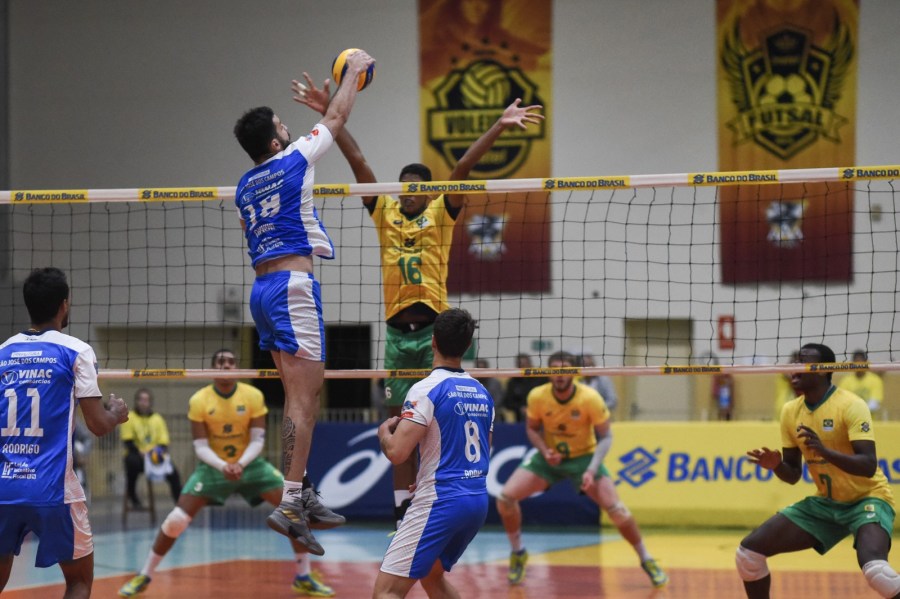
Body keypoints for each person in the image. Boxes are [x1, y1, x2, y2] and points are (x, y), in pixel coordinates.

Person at [295, 75, 542, 526]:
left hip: (433, 335)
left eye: (416, 188)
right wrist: (330, 112)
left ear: (428, 192)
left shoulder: (442, 212)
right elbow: (358, 159)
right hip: (396, 335)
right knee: (397, 428)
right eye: (404, 187)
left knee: (433, 424)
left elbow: (463, 164)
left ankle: (433, 501)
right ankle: (402, 512)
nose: (408, 193)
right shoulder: (384, 211)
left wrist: (500, 125)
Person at [232, 49, 374, 551]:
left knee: (298, 396)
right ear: (275, 141)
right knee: (304, 399)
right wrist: (354, 71)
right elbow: (337, 118)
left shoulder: (244, 185)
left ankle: (302, 488)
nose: (288, 127)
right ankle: (291, 499)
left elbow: (249, 227)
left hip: (262, 291)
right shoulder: (294, 158)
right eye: (282, 124)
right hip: (293, 287)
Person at [118, 349, 345, 598]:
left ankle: (304, 576)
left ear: (237, 368)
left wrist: (240, 463)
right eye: (220, 362)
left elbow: (258, 440)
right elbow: (200, 447)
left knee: (294, 510)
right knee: (176, 520)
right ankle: (145, 574)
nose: (226, 366)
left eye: (231, 362)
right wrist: (224, 466)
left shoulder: (252, 396)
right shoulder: (199, 400)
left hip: (251, 465)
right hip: (213, 468)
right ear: (212, 369)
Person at [0, 267, 129, 599]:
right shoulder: (76, 350)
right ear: (64, 304)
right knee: (78, 583)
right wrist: (116, 414)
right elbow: (97, 425)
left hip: (4, 487)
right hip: (53, 490)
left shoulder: (3, 352)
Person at [737, 343, 899, 599]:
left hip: (868, 498)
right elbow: (793, 475)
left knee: (877, 571)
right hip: (827, 503)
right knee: (748, 555)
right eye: (794, 362)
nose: (794, 368)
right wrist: (776, 465)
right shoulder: (791, 411)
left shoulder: (851, 405)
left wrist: (824, 451)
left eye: (803, 362)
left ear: (823, 369)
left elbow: (868, 465)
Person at [496, 351, 668, 588]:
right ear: (548, 373)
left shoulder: (589, 398)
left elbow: (606, 437)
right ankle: (518, 552)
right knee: (505, 498)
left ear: (575, 373)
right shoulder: (537, 396)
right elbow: (532, 429)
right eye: (554, 370)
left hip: (584, 458)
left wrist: (591, 469)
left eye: (565, 370)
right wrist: (545, 450)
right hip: (550, 457)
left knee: (618, 511)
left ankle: (646, 559)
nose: (559, 375)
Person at [374, 308, 494, 599]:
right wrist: (429, 474)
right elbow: (483, 450)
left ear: (432, 341)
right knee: (432, 577)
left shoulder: (426, 389)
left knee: (386, 592)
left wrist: (383, 434)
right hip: (476, 500)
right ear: (468, 346)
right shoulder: (482, 392)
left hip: (441, 501)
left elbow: (397, 453)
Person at [120, 388, 182, 508]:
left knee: (173, 472)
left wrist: (154, 452)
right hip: (137, 456)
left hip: (155, 455)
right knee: (131, 464)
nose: (144, 403)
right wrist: (140, 452)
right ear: (136, 401)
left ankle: (180, 504)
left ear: (150, 402)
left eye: (146, 400)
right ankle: (134, 500)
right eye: (141, 400)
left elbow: (164, 442)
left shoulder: (158, 419)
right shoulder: (129, 418)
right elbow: (127, 441)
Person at [502, 353, 548, 422]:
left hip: (541, 413)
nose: (523, 367)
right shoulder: (512, 382)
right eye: (520, 365)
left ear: (530, 364)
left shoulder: (541, 378)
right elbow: (508, 402)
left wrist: (535, 408)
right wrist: (520, 408)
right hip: (521, 417)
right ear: (517, 366)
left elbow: (548, 397)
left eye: (525, 364)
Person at [837, 349, 884, 417]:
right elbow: (842, 402)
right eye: (856, 363)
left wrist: (858, 411)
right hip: (850, 419)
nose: (859, 366)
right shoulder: (845, 381)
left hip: (869, 419)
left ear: (866, 363)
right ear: (852, 364)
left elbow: (874, 403)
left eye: (860, 363)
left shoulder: (875, 380)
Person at [773, 351, 800, 421]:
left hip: (796, 411)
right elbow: (788, 376)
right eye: (792, 362)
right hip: (782, 409)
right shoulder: (783, 372)